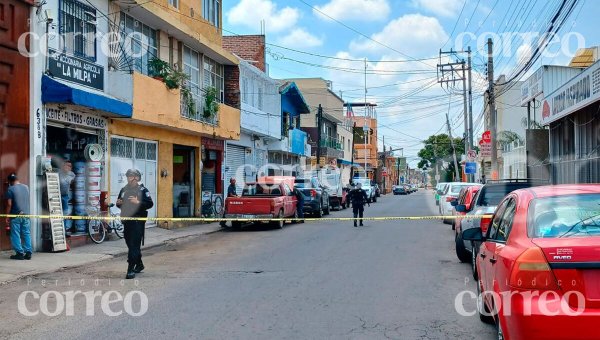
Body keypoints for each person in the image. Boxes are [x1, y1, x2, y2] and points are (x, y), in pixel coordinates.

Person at [116, 169, 153, 279]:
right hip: (127, 221)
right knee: (130, 243)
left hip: (138, 220)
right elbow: (119, 202)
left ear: (138, 178)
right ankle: (139, 264)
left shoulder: (142, 190)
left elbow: (150, 203)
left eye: (134, 176)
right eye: (129, 176)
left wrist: (138, 202)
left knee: (133, 245)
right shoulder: (123, 190)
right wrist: (119, 203)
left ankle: (130, 269)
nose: (131, 178)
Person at [6, 173, 32, 260]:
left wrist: (7, 216)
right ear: (17, 179)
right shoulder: (26, 187)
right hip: (26, 214)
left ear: (10, 181)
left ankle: (19, 253)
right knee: (26, 233)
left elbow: (9, 204)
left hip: (16, 215)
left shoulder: (10, 189)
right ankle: (28, 252)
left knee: (15, 234)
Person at [58, 159, 75, 233]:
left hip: (65, 196)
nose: (68, 167)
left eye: (70, 166)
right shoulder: (58, 172)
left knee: (64, 214)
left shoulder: (71, 174)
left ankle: (64, 230)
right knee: (56, 213)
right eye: (67, 165)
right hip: (56, 195)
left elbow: (68, 181)